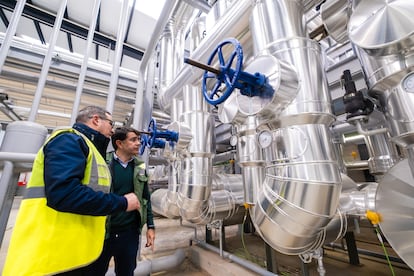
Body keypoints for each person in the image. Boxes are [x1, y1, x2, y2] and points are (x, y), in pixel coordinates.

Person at [3, 106, 141, 276]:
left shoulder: (91, 150)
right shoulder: (69, 140)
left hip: (77, 253)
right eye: (110, 123)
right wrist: (122, 202)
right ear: (96, 120)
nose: (112, 130)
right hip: (51, 254)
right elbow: (65, 194)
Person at [88, 126, 155, 275]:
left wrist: (150, 226)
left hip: (130, 233)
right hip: (104, 233)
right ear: (119, 143)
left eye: (139, 139)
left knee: (127, 272)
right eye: (133, 140)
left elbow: (146, 198)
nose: (138, 143)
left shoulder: (140, 166)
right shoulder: (103, 163)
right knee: (95, 271)